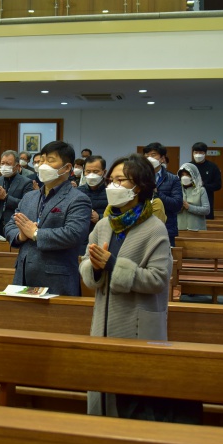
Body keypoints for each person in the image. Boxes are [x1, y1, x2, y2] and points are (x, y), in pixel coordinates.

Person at [81, 154, 200, 423]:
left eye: (121, 180)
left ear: (140, 186)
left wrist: (113, 265)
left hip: (136, 325)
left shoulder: (154, 229)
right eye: (111, 180)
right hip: (103, 323)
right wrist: (96, 269)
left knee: (133, 403)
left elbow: (158, 279)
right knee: (103, 395)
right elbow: (88, 268)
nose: (113, 186)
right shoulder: (104, 225)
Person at [5, 140, 91, 296]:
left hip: (57, 281)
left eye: (50, 160)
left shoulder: (78, 199)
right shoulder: (29, 197)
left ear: (67, 168)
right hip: (23, 278)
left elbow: (73, 234)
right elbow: (10, 225)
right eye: (42, 160)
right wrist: (21, 235)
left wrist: (36, 234)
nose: (43, 165)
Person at [0, 150, 32, 240]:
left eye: (8, 164)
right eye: (2, 163)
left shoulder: (26, 182)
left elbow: (27, 206)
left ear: (17, 166)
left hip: (15, 228)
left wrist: (6, 198)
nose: (4, 166)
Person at [143, 143, 183, 247]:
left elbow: (177, 205)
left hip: (166, 229)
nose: (149, 158)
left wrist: (157, 193)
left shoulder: (173, 179)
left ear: (162, 159)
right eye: (146, 156)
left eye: (153, 155)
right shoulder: (138, 178)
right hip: (141, 229)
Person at [78, 155, 109, 234]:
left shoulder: (110, 191)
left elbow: (119, 214)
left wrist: (100, 217)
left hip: (104, 234)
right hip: (82, 236)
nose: (91, 175)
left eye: (96, 172)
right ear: (84, 172)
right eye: (88, 171)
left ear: (104, 172)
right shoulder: (78, 192)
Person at [191, 142, 221, 220]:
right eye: (196, 152)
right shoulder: (188, 166)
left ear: (205, 153)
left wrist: (204, 185)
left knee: (207, 222)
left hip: (207, 201)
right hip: (190, 200)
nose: (198, 154)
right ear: (193, 153)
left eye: (200, 152)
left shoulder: (212, 167)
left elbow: (218, 185)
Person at [177, 162, 210, 231]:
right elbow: (170, 210)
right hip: (180, 229)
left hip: (197, 229)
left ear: (193, 176)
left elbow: (206, 210)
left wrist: (189, 207)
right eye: (182, 175)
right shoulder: (176, 190)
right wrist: (179, 207)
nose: (184, 177)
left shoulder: (201, 190)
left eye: (187, 175)